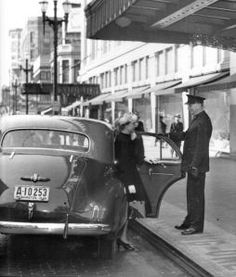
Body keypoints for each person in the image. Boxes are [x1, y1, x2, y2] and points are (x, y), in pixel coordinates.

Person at [170, 95, 212, 235]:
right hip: (193, 166)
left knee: (197, 196)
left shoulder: (203, 121)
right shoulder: (197, 120)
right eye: (189, 105)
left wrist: (194, 165)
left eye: (191, 105)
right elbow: (186, 135)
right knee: (191, 195)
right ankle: (189, 221)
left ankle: (196, 226)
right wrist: (169, 135)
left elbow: (201, 147)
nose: (189, 107)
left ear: (200, 105)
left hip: (197, 167)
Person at [114, 112, 150, 250]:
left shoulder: (116, 137)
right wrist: (136, 142)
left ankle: (121, 237)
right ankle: (122, 237)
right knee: (126, 207)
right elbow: (138, 158)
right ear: (126, 124)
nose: (136, 125)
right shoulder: (131, 139)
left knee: (124, 207)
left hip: (120, 176)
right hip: (128, 176)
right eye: (133, 123)